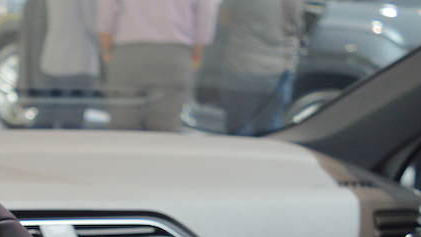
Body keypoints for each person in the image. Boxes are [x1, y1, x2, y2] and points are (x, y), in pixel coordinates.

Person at [96, 0, 219, 132]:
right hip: (174, 54)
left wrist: (106, 50)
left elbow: (105, 11)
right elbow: (206, 14)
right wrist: (197, 54)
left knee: (122, 127)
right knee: (164, 130)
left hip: (127, 52)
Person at [216, 0, 303, 136]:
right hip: (280, 67)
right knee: (269, 131)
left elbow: (224, 19)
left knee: (237, 131)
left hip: (242, 65)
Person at [19, 0, 101, 128]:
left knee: (45, 119)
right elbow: (93, 23)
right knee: (71, 123)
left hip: (52, 59)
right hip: (78, 60)